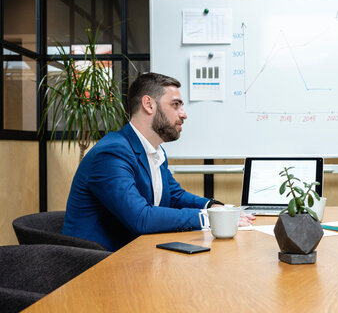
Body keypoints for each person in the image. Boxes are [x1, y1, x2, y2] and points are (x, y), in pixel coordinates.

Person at [63, 72, 254, 251]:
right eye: (175, 105)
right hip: (95, 264)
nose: (184, 114)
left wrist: (212, 206)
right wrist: (211, 219)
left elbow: (174, 195)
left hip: (135, 253)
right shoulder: (112, 153)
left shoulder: (154, 150)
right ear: (149, 105)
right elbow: (140, 217)